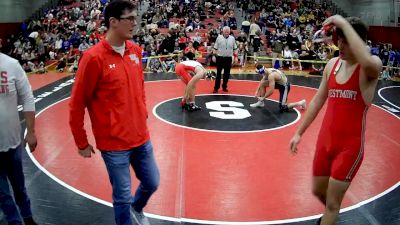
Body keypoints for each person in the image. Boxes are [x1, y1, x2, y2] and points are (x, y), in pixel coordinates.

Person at [68, 1, 159, 225]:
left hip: (141, 137)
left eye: (135, 18)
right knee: (121, 197)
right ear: (113, 22)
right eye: (130, 18)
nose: (135, 23)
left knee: (152, 182)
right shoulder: (93, 58)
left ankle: (137, 209)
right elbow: (77, 103)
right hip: (113, 143)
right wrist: (81, 142)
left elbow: (139, 88)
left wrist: (142, 113)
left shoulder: (136, 51)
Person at [289, 16, 382, 225]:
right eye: (339, 39)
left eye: (346, 40)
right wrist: (299, 132)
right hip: (325, 142)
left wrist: (342, 22)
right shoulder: (332, 64)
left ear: (360, 42)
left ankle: (330, 215)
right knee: (318, 191)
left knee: (332, 204)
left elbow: (368, 61)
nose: (340, 44)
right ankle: (330, 215)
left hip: (349, 148)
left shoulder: (370, 67)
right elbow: (317, 102)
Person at [0, 38, 38, 225]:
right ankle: (15, 222)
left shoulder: (11, 65)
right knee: (3, 195)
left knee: (19, 188)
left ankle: (28, 217)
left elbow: (28, 99)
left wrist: (31, 132)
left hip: (12, 143)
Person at [212, 26, 237, 93]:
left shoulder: (232, 38)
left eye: (228, 31)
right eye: (225, 31)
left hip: (228, 58)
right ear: (222, 31)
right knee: (218, 74)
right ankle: (216, 88)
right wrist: (214, 56)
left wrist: (236, 57)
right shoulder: (219, 37)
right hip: (220, 58)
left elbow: (235, 49)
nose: (226, 33)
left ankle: (224, 87)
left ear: (229, 32)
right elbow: (215, 48)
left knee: (226, 74)